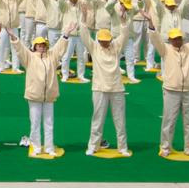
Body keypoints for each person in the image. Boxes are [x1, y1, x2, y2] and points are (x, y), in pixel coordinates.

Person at [147, 7, 189, 158]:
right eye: (174, 39)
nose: (177, 41)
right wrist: (150, 22)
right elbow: (155, 38)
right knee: (169, 121)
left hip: (188, 90)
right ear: (170, 40)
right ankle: (165, 147)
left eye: (179, 38)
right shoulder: (165, 49)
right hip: (171, 90)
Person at [10, 28, 71, 156]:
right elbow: (20, 49)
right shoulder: (29, 57)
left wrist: (66, 34)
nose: (41, 47)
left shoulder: (52, 56)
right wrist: (14, 38)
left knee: (49, 123)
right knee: (35, 123)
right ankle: (36, 147)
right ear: (34, 47)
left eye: (43, 45)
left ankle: (49, 148)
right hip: (34, 96)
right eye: (39, 45)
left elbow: (60, 47)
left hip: (49, 96)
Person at [81, 21, 132, 156]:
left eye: (106, 40)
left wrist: (123, 22)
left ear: (110, 39)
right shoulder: (94, 47)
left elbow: (124, 35)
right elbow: (84, 35)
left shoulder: (116, 46)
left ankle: (122, 147)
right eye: (102, 41)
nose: (104, 43)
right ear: (98, 40)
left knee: (120, 120)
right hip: (99, 89)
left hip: (117, 89)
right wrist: (83, 20)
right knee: (97, 120)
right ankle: (93, 146)